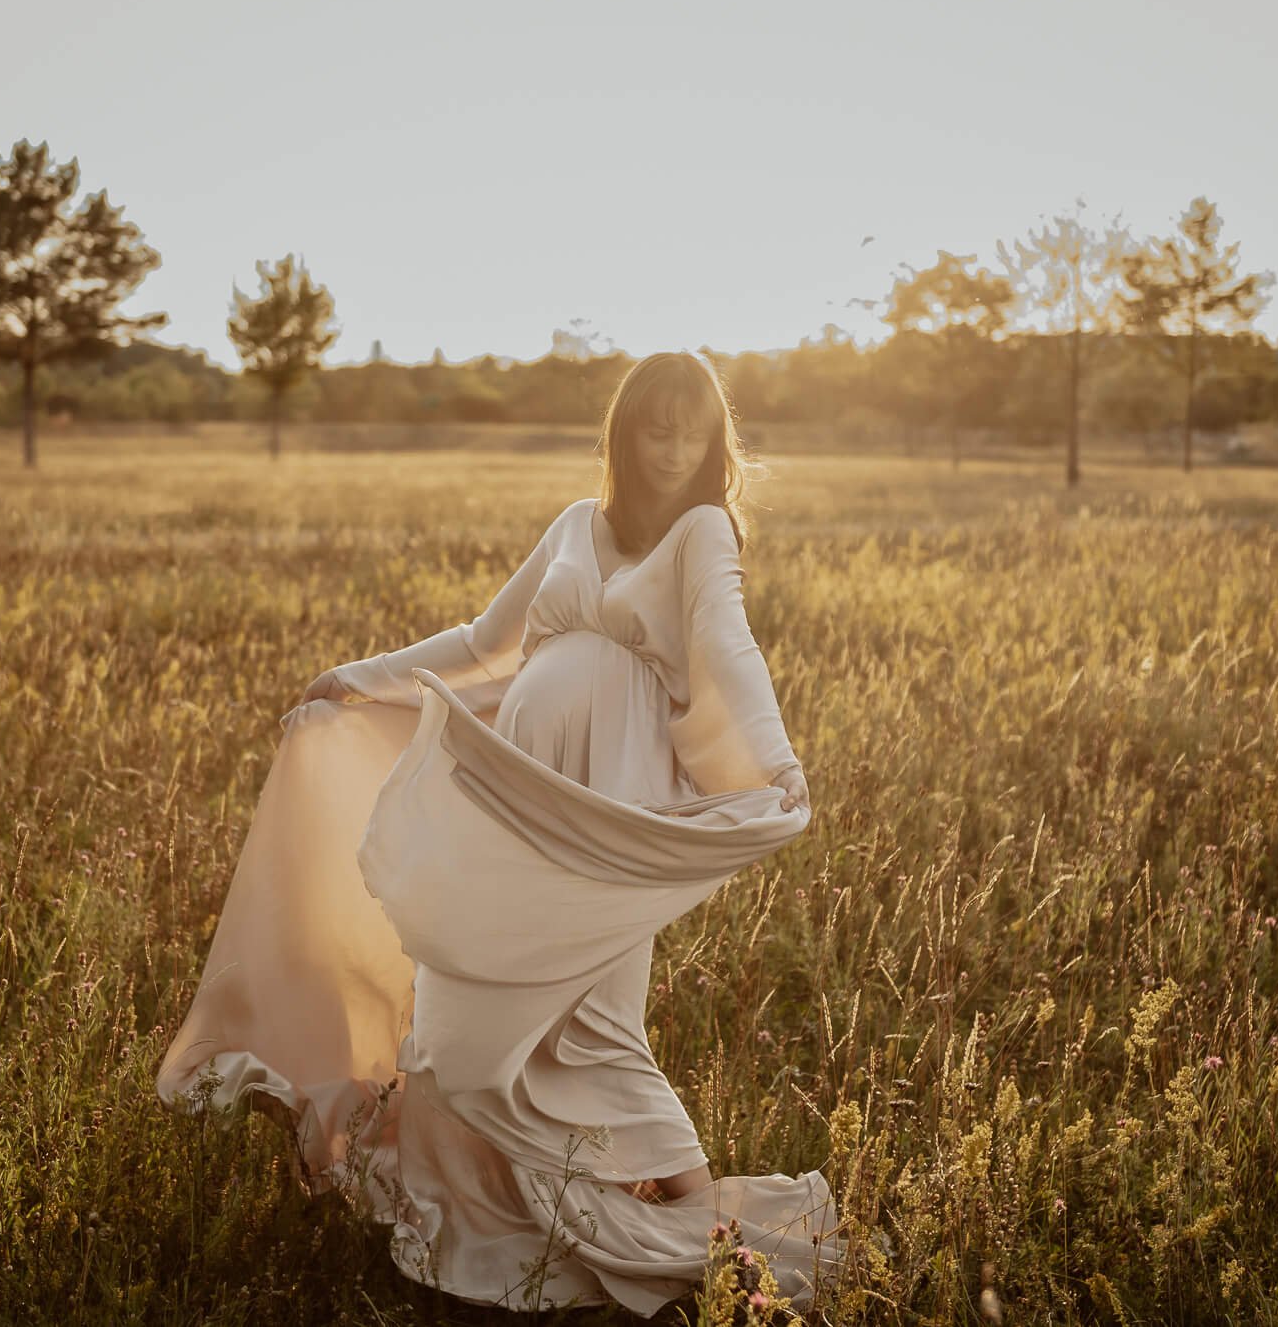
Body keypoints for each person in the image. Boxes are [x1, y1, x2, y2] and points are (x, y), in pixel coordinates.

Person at [156, 351, 842, 1314]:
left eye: (695, 430)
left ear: (715, 439)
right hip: (521, 787)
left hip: (609, 804)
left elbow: (728, 642)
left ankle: (718, 1245)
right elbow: (486, 644)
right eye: (659, 426)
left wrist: (772, 762)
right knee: (461, 1005)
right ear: (625, 431)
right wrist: (359, 675)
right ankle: (484, 1197)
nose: (677, 447)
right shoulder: (574, 526)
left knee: (596, 1017)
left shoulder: (703, 534)